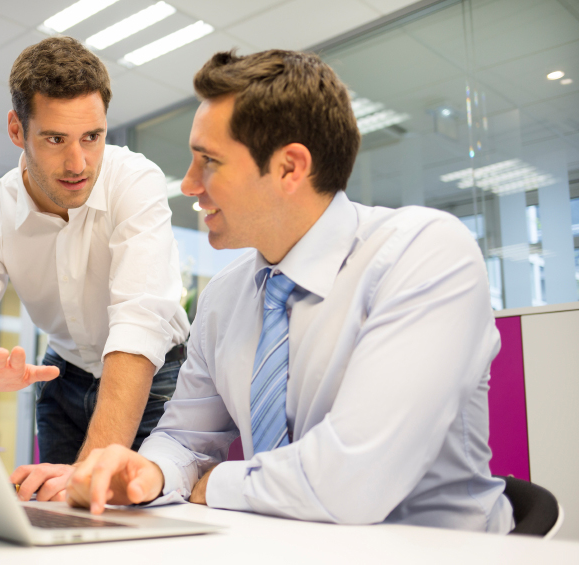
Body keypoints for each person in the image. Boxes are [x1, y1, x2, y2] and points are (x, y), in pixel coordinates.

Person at [64, 49, 514, 533]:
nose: (191, 185)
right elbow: (185, 439)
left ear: (289, 168)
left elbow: (351, 482)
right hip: (288, 545)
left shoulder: (424, 254)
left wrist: (216, 482)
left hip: (438, 551)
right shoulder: (226, 295)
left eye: (208, 161)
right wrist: (147, 472)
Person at [0, 36, 190, 501]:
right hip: (63, 379)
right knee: (58, 517)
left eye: (92, 137)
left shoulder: (134, 180)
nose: (78, 164)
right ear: (17, 130)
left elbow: (138, 326)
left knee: (139, 515)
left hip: (155, 378)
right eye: (55, 139)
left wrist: (85, 474)